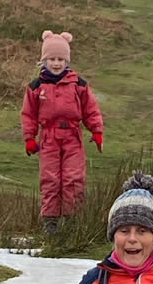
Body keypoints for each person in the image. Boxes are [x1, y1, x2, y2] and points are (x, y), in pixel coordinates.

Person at [21, 30, 103, 234]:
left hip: (73, 138)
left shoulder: (79, 85)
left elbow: (90, 109)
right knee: (50, 179)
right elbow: (28, 114)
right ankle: (50, 222)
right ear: (44, 60)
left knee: (73, 179)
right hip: (48, 139)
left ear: (67, 61)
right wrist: (29, 138)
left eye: (60, 59)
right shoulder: (35, 86)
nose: (56, 63)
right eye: (52, 59)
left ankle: (72, 221)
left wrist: (96, 130)